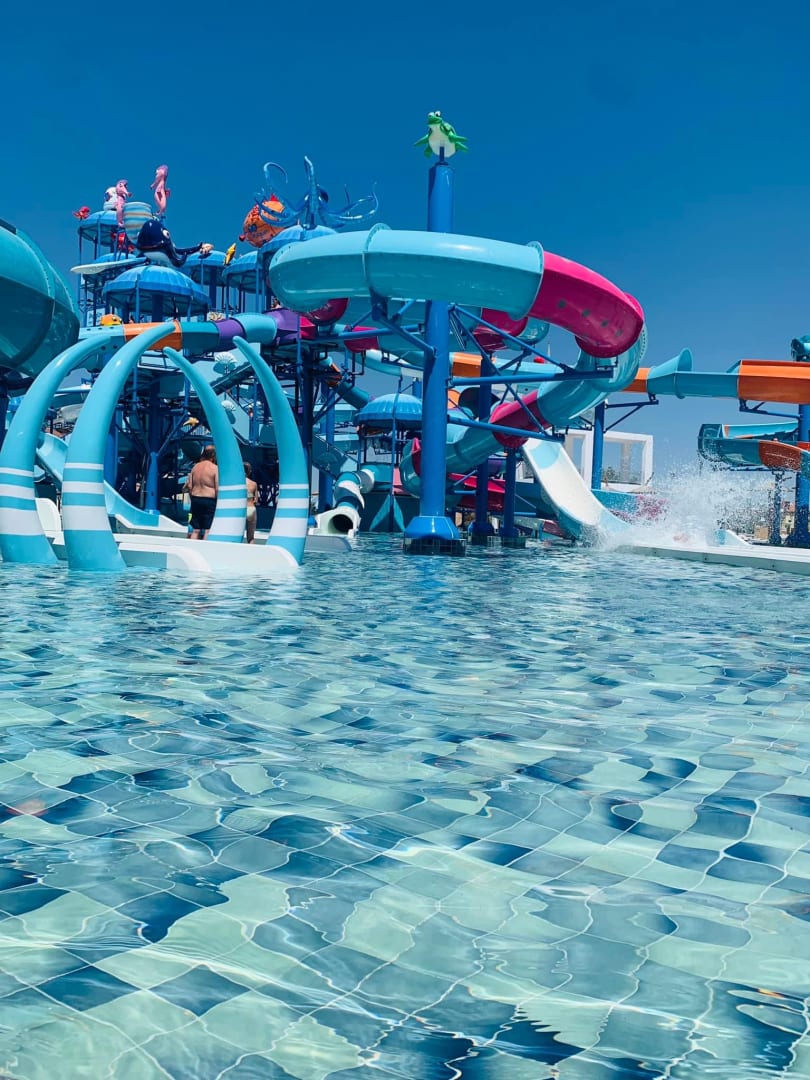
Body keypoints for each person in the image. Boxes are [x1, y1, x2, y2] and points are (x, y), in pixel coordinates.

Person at [183, 445, 218, 540]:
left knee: (195, 530)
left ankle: (191, 547)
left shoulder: (195, 467)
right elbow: (217, 488)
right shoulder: (215, 468)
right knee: (207, 530)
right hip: (209, 500)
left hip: (196, 499)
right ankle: (205, 548)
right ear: (213, 456)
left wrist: (193, 498)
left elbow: (189, 486)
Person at [244, 462, 258, 543]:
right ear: (249, 471)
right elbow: (256, 500)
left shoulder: (239, 483)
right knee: (251, 537)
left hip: (241, 509)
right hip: (251, 508)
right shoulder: (254, 484)